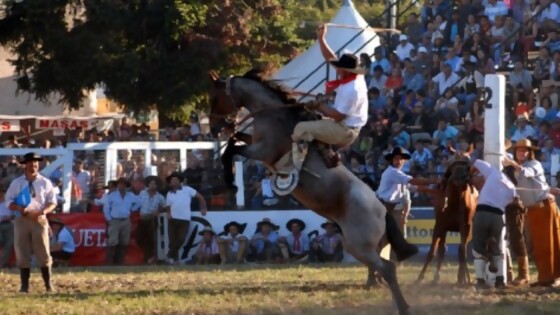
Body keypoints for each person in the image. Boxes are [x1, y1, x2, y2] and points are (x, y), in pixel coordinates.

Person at [291, 24, 368, 168]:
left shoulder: (352, 89)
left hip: (344, 130)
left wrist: (320, 105)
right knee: (312, 119)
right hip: (347, 126)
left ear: (346, 70)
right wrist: (321, 38)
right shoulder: (354, 77)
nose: (336, 68)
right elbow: (331, 58)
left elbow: (338, 116)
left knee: (300, 128)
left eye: (339, 67)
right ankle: (323, 153)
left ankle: (295, 167)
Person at [504, 138, 560, 287]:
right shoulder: (515, 169)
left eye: (525, 150)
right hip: (534, 209)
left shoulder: (534, 164)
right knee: (538, 246)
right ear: (515, 152)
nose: (522, 152)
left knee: (548, 244)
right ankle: (545, 277)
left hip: (544, 206)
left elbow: (526, 172)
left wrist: (511, 163)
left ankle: (553, 278)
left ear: (529, 153)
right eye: (519, 150)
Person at [5, 153, 58, 293]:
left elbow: (53, 202)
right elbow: (8, 201)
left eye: (35, 162)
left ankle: (48, 284)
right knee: (22, 251)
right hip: (22, 219)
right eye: (30, 162)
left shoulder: (45, 182)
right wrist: (18, 208)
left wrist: (43, 212)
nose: (33, 165)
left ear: (38, 164)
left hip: (39, 219)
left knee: (43, 251)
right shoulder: (17, 183)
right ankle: (24, 286)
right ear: (25, 164)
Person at [470, 159, 517, 290]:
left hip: (482, 213)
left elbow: (476, 162)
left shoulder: (494, 172)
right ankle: (500, 280)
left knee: (478, 248)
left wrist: (471, 175)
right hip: (497, 216)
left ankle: (480, 281)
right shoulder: (513, 189)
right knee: (497, 248)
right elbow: (512, 202)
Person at [165, 172, 207, 265]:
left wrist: (203, 207)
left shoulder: (187, 190)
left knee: (181, 239)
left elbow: (200, 197)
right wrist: (168, 213)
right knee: (172, 240)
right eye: (172, 180)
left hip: (184, 219)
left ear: (180, 181)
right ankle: (175, 260)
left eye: (175, 180)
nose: (173, 181)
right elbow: (168, 206)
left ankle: (169, 256)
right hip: (172, 219)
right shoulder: (169, 193)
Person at [103, 178, 141, 265]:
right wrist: (109, 219)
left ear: (126, 186)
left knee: (124, 242)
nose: (121, 186)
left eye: (123, 184)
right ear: (117, 185)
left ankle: (119, 262)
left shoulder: (130, 195)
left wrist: (132, 209)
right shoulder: (112, 195)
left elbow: (139, 202)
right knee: (112, 241)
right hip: (114, 220)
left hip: (126, 220)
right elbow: (106, 208)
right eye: (120, 184)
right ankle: (109, 262)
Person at [137, 178, 165, 264]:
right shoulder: (142, 193)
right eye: (151, 184)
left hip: (152, 219)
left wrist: (159, 211)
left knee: (151, 239)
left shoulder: (160, 197)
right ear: (148, 185)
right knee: (139, 238)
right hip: (142, 218)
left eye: (154, 184)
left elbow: (166, 206)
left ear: (157, 186)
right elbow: (136, 202)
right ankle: (149, 256)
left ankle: (149, 258)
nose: (152, 185)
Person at [0, 186, 14, 268]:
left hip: (9, 224)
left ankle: (3, 265)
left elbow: (15, 213)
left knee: (8, 245)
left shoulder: (9, 202)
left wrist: (10, 216)